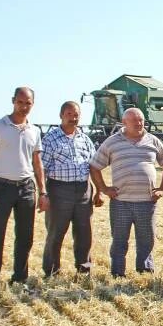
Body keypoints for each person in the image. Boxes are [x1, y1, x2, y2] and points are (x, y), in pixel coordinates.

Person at [0, 87, 45, 301]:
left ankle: (20, 279)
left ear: (32, 105)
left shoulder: (34, 131)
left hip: (27, 189)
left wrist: (42, 191)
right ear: (13, 101)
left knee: (25, 238)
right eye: (20, 102)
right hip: (2, 188)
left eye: (28, 103)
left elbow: (37, 163)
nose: (24, 107)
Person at [90, 107, 163, 278]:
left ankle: (145, 271)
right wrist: (103, 189)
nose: (139, 123)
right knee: (119, 240)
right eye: (134, 120)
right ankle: (118, 273)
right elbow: (95, 166)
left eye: (141, 120)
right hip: (121, 202)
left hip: (147, 202)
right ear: (124, 123)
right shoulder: (112, 142)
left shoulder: (153, 141)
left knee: (146, 240)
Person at [40, 101, 100, 279]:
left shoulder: (85, 139)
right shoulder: (50, 139)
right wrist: (43, 193)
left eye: (76, 115)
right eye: (69, 114)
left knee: (84, 233)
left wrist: (98, 190)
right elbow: (42, 168)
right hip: (59, 190)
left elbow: (93, 167)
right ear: (61, 115)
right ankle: (51, 271)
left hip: (83, 190)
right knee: (56, 232)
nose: (73, 118)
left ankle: (84, 269)